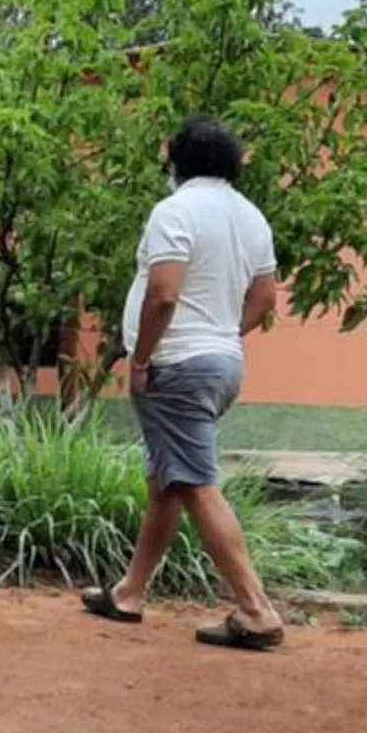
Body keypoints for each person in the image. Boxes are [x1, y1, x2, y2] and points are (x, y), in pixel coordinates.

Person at [81, 114, 285, 651]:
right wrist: (220, 334)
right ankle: (129, 594)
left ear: (177, 160)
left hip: (176, 366)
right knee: (167, 481)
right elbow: (265, 300)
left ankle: (256, 610)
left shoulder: (174, 211)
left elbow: (164, 294)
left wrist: (144, 358)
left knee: (193, 481)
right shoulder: (252, 217)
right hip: (222, 363)